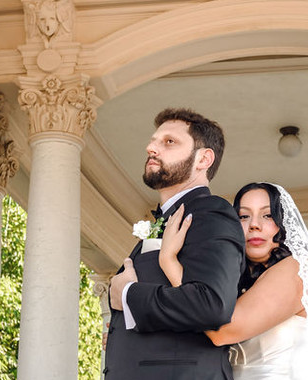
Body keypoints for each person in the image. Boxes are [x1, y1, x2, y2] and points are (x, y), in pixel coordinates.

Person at [104, 108, 246, 379]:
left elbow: (211, 304)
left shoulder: (210, 213)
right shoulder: (167, 217)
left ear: (204, 158)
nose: (151, 148)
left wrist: (128, 295)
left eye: (169, 142)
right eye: (154, 141)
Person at [159, 182, 308, 379]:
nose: (254, 225)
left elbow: (223, 332)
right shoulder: (242, 288)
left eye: (267, 215)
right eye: (243, 216)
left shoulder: (298, 269)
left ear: (284, 223)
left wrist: (169, 261)